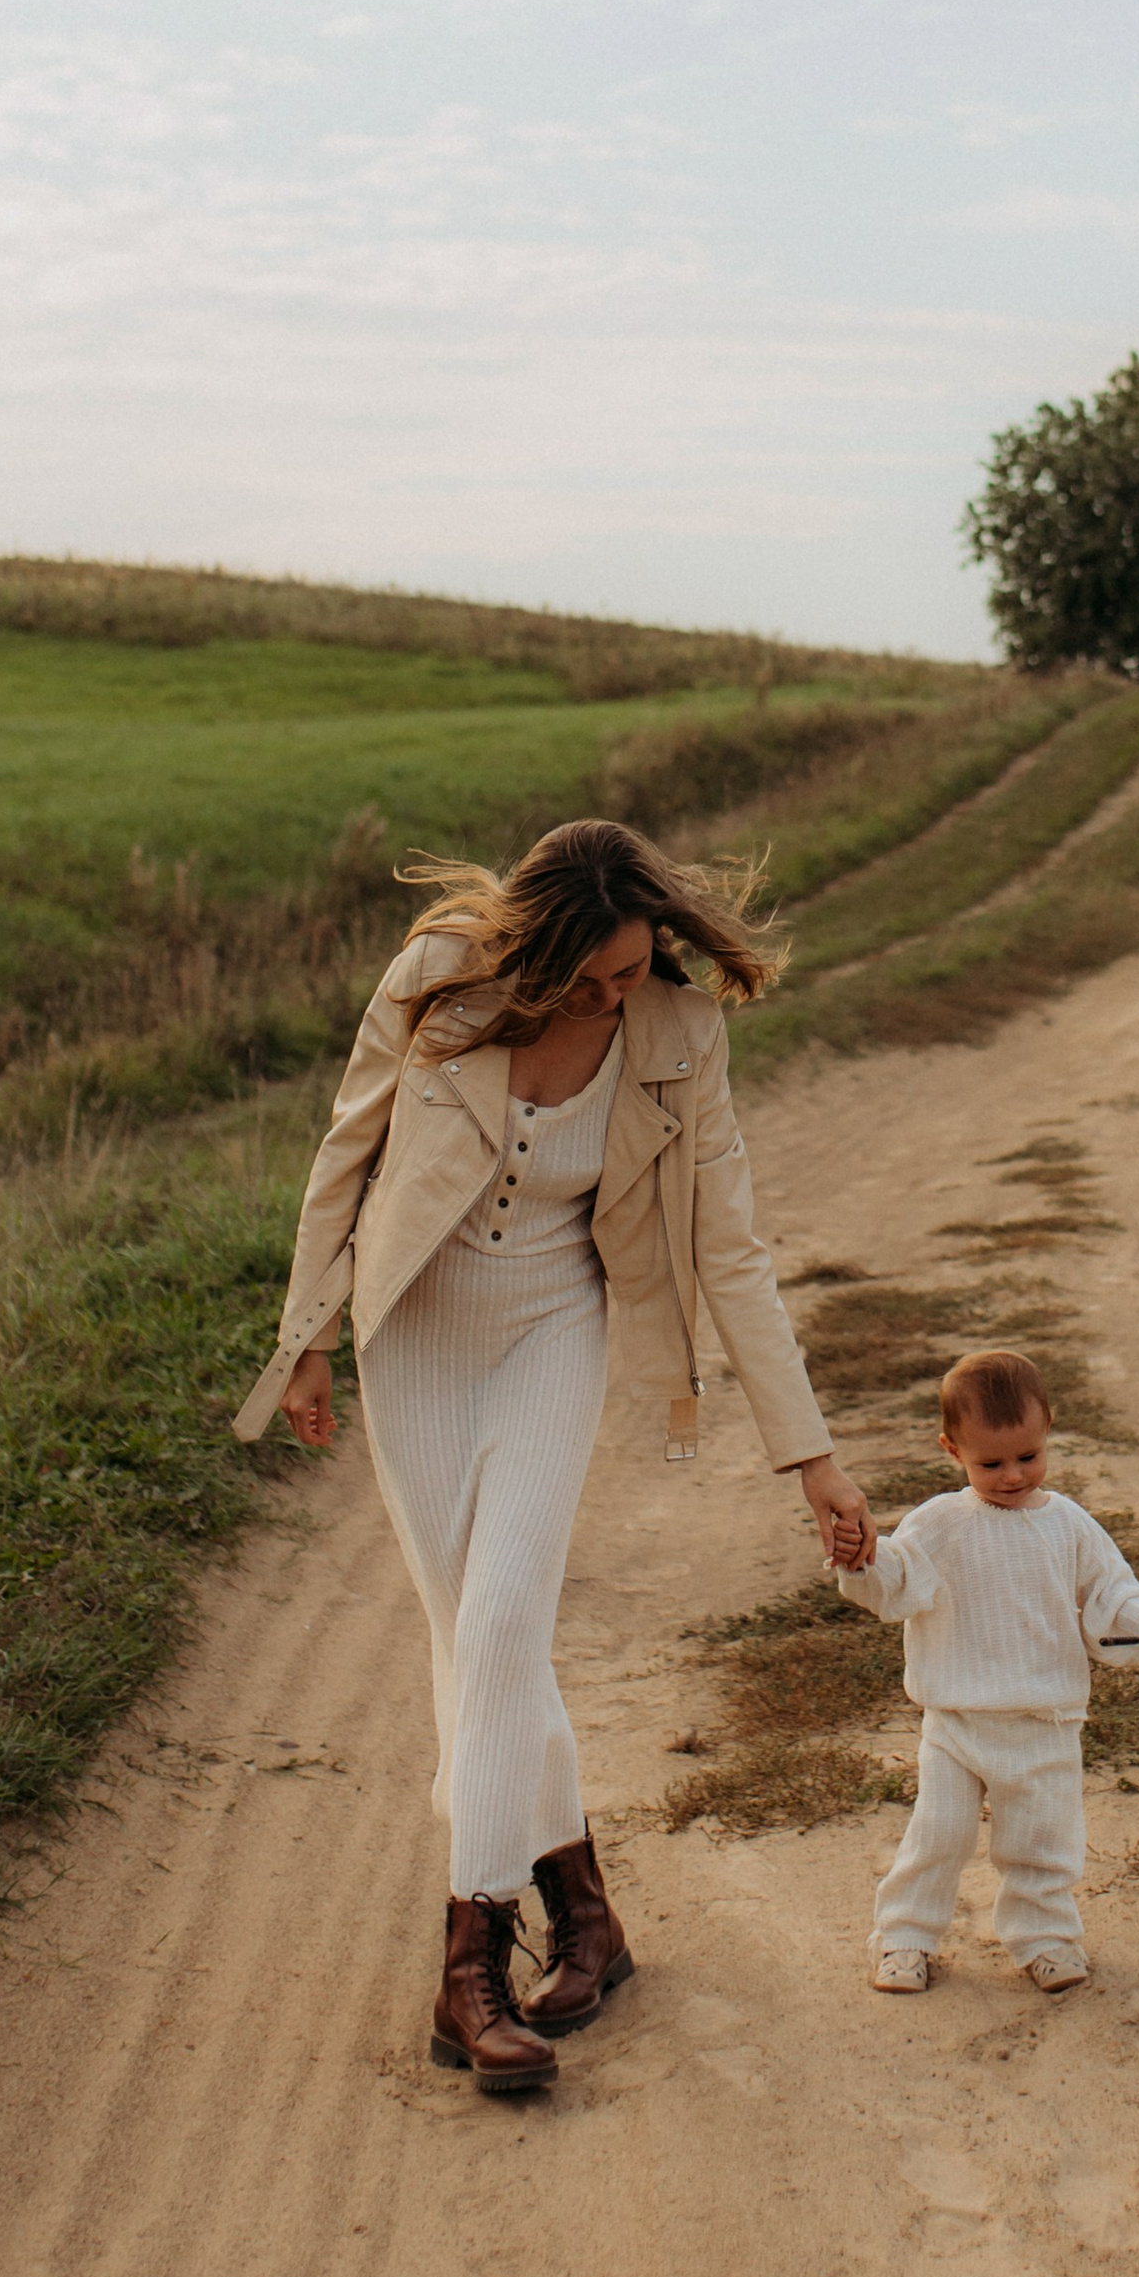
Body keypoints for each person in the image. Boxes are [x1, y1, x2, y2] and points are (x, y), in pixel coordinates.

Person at [234, 816, 871, 2094]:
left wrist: (811, 1457)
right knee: (468, 1638)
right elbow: (345, 1151)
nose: (609, 998)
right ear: (529, 948)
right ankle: (585, 1910)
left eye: (629, 973)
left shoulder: (684, 1040)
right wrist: (305, 1335)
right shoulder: (437, 978)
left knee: (506, 1624)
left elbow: (732, 1252)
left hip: (552, 1331)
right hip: (409, 1330)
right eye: (583, 982)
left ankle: (467, 1968)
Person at [834, 1347, 1139, 1995]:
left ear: (1048, 1426)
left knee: (1042, 1841)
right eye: (989, 1463)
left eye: (1027, 1457)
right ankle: (905, 1936)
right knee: (939, 1834)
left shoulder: (1068, 1525)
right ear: (952, 1449)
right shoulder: (940, 1524)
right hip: (957, 1719)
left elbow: (1111, 1592)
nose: (1012, 1476)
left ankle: (1045, 1937)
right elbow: (898, 1581)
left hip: (1044, 1720)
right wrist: (864, 1561)